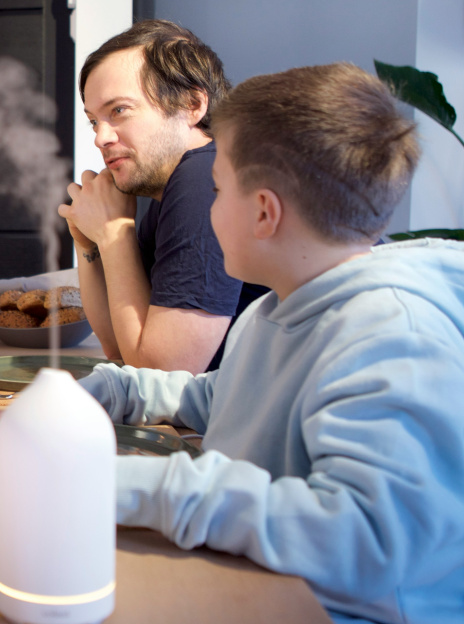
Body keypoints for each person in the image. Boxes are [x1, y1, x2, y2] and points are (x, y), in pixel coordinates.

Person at [79, 62, 463, 623]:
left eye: (216, 190)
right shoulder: (274, 308)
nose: (206, 208)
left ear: (263, 212)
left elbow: (362, 539)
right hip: (252, 584)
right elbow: (221, 400)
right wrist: (117, 389)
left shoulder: (393, 338)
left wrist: (138, 485)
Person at [0, 20, 260, 374]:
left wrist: (114, 233)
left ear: (193, 104)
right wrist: (89, 242)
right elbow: (117, 345)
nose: (100, 138)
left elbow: (162, 374)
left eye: (119, 111)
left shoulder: (203, 179)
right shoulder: (172, 189)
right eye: (93, 121)